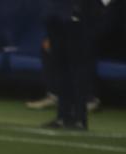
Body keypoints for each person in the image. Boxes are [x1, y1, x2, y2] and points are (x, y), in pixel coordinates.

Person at [41, 0, 98, 130]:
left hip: (77, 17)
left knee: (77, 70)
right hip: (56, 16)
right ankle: (63, 116)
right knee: (61, 69)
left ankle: (79, 118)